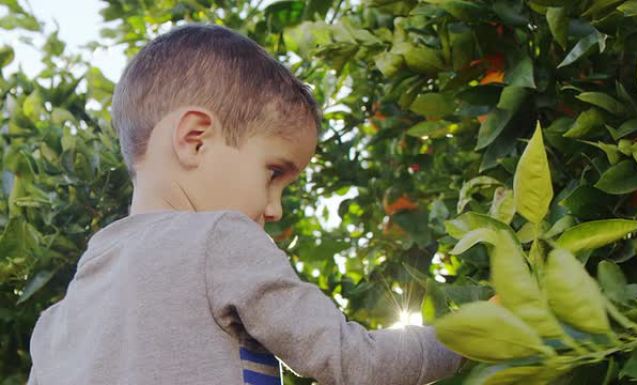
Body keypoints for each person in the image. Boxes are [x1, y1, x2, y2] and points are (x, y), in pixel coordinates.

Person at [27, 24, 461, 385]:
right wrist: (468, 336)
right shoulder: (216, 239)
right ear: (195, 140)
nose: (275, 209)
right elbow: (351, 360)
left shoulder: (56, 322)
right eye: (274, 172)